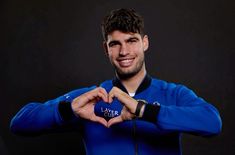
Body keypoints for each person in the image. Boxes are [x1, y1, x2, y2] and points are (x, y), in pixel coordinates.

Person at [10, 8, 222, 155]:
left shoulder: (173, 94)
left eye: (131, 41)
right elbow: (19, 123)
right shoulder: (90, 99)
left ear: (145, 43)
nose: (124, 51)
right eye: (115, 44)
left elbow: (212, 123)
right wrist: (69, 109)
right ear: (106, 49)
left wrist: (142, 110)